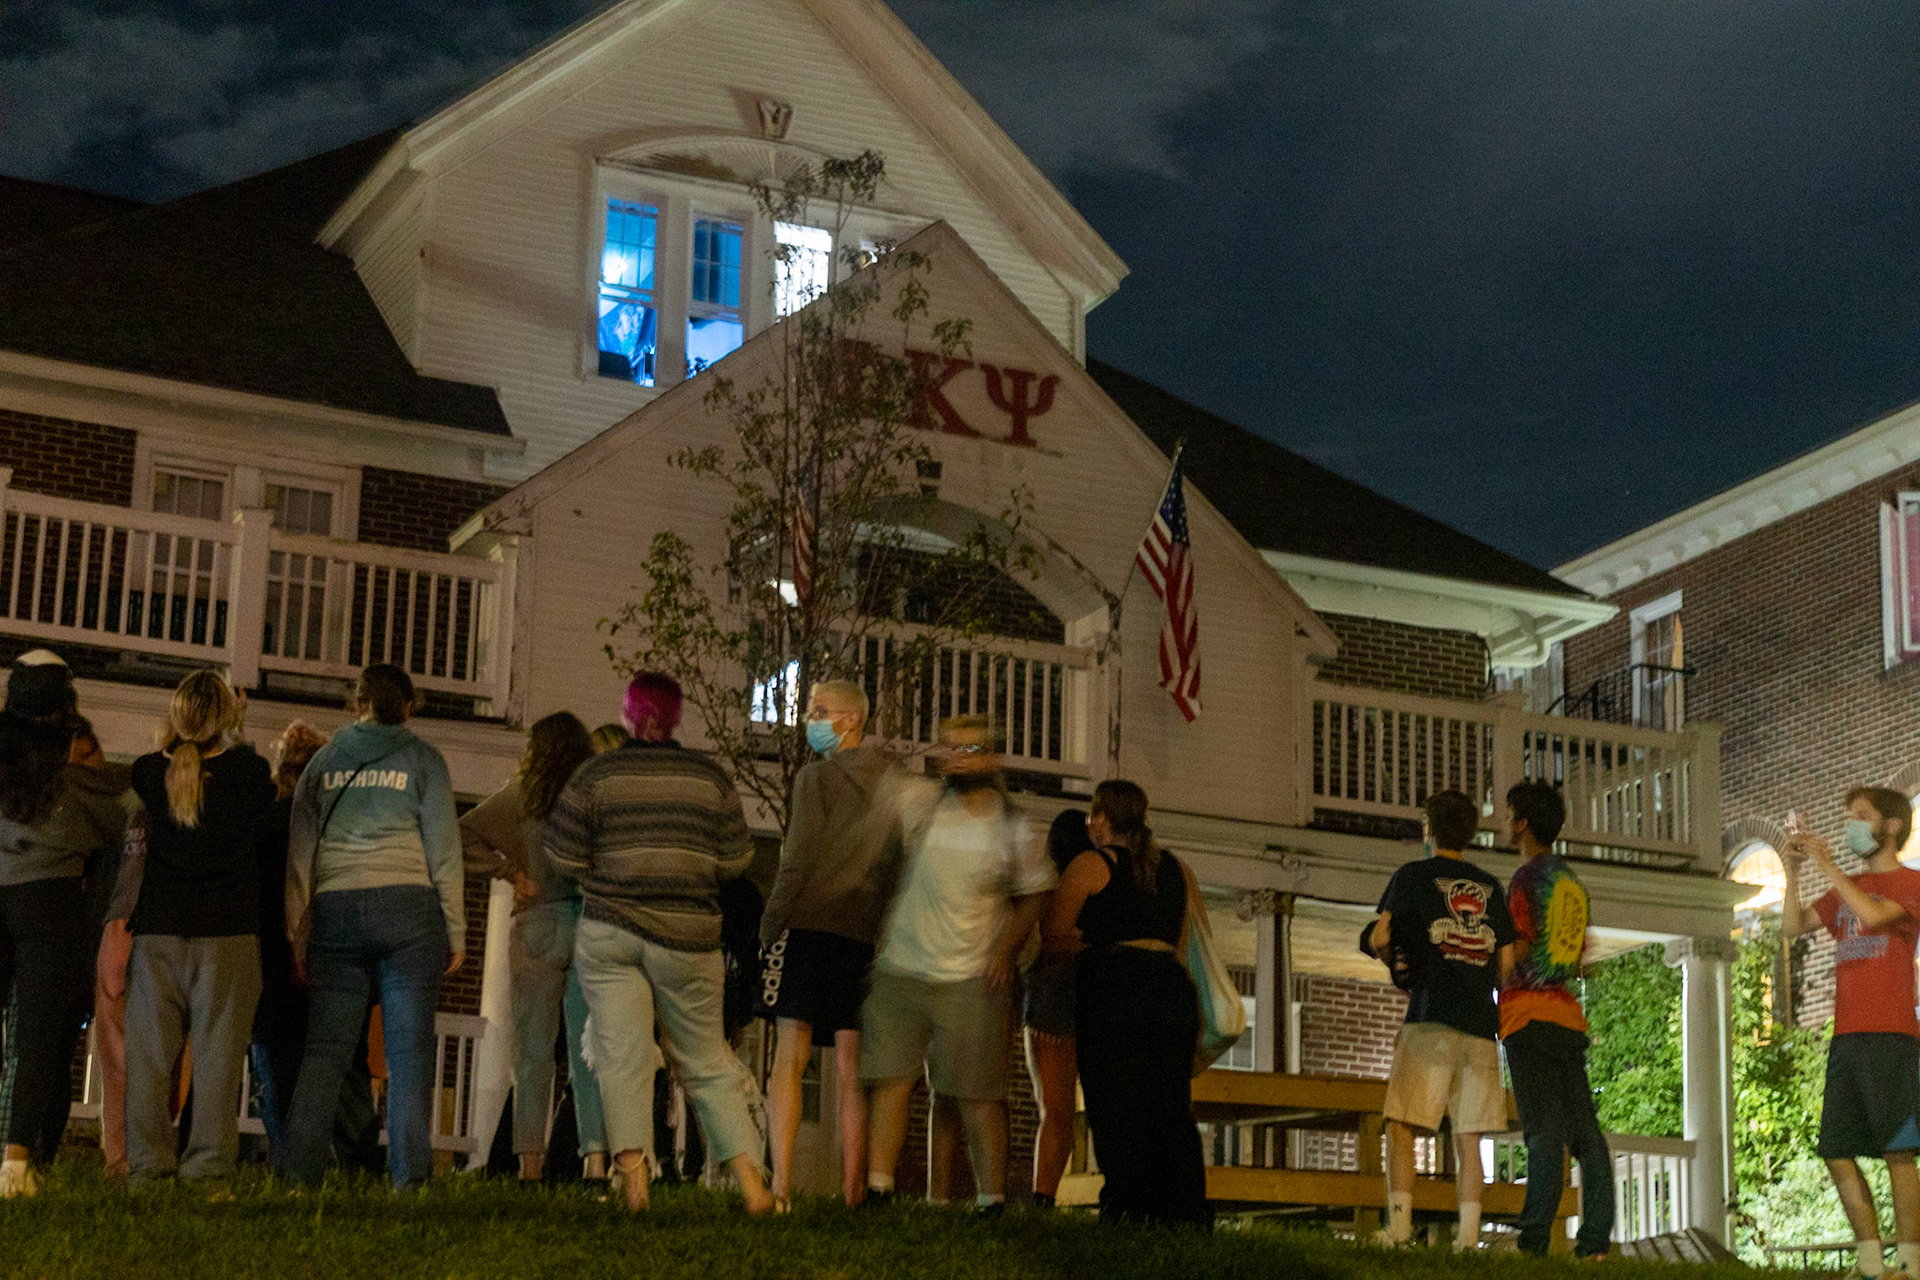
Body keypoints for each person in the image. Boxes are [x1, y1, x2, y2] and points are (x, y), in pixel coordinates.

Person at [545, 671, 774, 1214]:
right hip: (688, 937)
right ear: (676, 719)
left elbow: (563, 854)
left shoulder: (595, 775)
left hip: (611, 932)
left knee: (622, 1058)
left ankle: (636, 1185)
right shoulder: (709, 778)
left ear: (626, 715)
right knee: (707, 1059)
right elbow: (737, 859)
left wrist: (608, 868)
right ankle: (754, 1187)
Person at [860, 715, 1056, 1216]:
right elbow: (879, 795)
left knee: (975, 1094)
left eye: (968, 750)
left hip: (969, 976)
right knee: (893, 1080)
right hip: (902, 967)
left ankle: (991, 1200)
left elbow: (1036, 894)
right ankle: (879, 1190)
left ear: (991, 759)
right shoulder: (922, 803)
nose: (955, 758)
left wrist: (1004, 949)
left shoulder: (1011, 825)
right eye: (948, 749)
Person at [281, 664, 465, 1190]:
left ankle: (299, 1175)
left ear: (356, 704)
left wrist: (298, 929)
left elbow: (301, 856)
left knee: (324, 1052)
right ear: (409, 706)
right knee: (408, 1054)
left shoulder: (322, 763)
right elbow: (444, 852)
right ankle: (409, 1179)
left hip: (336, 910)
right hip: (408, 911)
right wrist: (456, 927)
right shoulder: (424, 761)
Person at [123, 670, 275, 1182]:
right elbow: (252, 780)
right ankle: (207, 1168)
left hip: (159, 930)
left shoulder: (148, 772)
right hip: (227, 932)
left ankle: (147, 1168)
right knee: (218, 1057)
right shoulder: (250, 774)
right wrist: (237, 726)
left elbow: (167, 756)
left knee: (148, 1058)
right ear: (224, 718)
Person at [758, 679, 901, 1209]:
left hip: (812, 924)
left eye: (820, 710)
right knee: (852, 1064)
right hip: (865, 933)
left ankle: (781, 1183)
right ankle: (853, 1187)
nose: (810, 718)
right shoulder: (893, 781)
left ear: (850, 720)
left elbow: (797, 859)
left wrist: (770, 924)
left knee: (790, 1057)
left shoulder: (815, 779)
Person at [1041, 780, 1209, 1227]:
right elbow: (1187, 936)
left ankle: (1127, 1206)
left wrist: (1083, 943)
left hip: (1115, 987)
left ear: (1103, 818)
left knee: (1115, 1102)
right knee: (1170, 1105)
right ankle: (1184, 1210)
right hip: (1171, 989)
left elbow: (1053, 937)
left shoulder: (1090, 865)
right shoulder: (1177, 869)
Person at [0, 650, 131, 1197]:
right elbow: (121, 813)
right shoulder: (77, 758)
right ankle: (17, 1161)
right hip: (49, 899)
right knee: (41, 1035)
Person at [461, 711, 607, 1183]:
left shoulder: (524, 795)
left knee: (532, 1054)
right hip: (588, 924)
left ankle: (529, 1165)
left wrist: (510, 872)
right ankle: (596, 1162)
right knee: (589, 1053)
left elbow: (462, 833)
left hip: (538, 924)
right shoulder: (594, 798)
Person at [1366, 788, 1516, 1249]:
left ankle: (1399, 1227)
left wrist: (1393, 955)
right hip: (1480, 1025)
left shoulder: (1411, 876)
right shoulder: (1492, 886)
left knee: (1402, 1123)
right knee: (1469, 1136)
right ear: (1470, 834)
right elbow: (1507, 964)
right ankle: (1468, 1240)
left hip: (1430, 1017)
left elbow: (1380, 936)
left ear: (1429, 828)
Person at [1782, 787, 1920, 1280]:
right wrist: (1794, 869)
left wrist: (1826, 864)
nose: (1851, 827)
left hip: (1892, 1035)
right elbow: (1793, 925)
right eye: (1848, 818)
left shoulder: (1910, 883)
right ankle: (1870, 1265)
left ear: (1891, 827)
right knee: (1836, 1149)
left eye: (1861, 818)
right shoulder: (1848, 883)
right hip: (1847, 1037)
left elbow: (1873, 916)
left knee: (1897, 1150)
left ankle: (1909, 1264)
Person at [1500, 781, 1614, 1257]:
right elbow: (1583, 956)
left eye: (1508, 814)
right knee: (1586, 1136)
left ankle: (1533, 1242)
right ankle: (1595, 1242)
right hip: (1568, 1019)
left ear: (1523, 822)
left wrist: (1492, 968)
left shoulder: (1526, 880)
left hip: (1528, 1015)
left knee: (1543, 1134)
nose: (1505, 821)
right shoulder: (1571, 882)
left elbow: (1519, 946)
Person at [248, 720, 328, 1162]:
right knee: (307, 1060)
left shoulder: (262, 824)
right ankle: (304, 1155)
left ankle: (285, 1154)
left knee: (270, 1061)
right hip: (309, 953)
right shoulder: (319, 830)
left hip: (263, 954)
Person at [1024, 808, 1093, 1209]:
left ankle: (1043, 1198)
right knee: (1063, 1112)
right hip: (1078, 996)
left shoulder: (1046, 885)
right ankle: (1044, 1198)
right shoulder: (1090, 882)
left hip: (1046, 999)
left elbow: (1041, 938)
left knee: (1053, 1109)